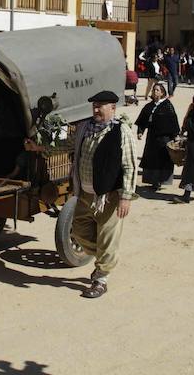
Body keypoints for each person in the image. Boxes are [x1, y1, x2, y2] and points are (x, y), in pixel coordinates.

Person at [69, 90, 138, 298]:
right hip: (86, 194)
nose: (96, 109)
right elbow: (68, 146)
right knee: (79, 233)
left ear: (113, 108)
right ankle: (105, 259)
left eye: (101, 106)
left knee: (108, 238)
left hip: (109, 197)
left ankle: (101, 279)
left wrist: (126, 196)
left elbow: (130, 166)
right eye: (94, 105)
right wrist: (39, 146)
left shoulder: (121, 131)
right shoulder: (84, 128)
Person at [135, 82, 179, 191]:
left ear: (163, 92)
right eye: (154, 90)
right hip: (152, 138)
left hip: (164, 138)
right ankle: (153, 181)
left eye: (157, 90)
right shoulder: (149, 106)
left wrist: (175, 136)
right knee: (151, 159)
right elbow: (143, 119)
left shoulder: (167, 105)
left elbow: (173, 121)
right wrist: (140, 131)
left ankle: (160, 181)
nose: (155, 92)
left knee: (162, 159)